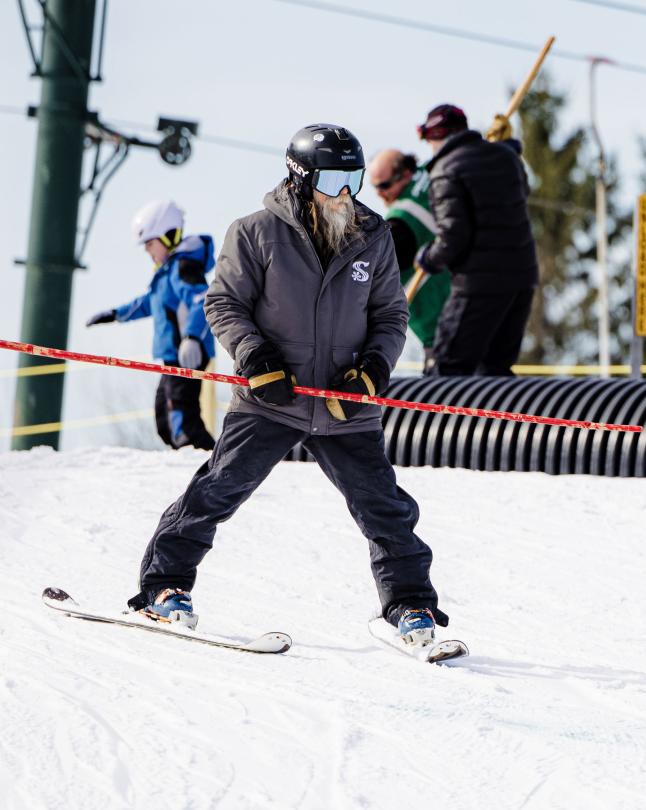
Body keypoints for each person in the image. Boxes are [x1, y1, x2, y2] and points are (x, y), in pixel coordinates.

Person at [127, 124, 449, 649]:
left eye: (354, 178)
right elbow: (223, 303)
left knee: (384, 508)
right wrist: (256, 358)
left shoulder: (375, 236)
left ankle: (409, 605)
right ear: (300, 179)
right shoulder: (255, 232)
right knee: (216, 491)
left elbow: (391, 314)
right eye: (332, 179)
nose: (344, 193)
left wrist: (371, 370)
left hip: (345, 404)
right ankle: (165, 587)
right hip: (273, 397)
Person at [414, 103, 538, 377]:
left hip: (478, 285)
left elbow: (452, 237)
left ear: (434, 137)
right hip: (521, 279)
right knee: (495, 370)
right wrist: (510, 151)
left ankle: (440, 421)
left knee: (448, 370)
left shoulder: (445, 171)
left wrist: (427, 258)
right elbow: (522, 190)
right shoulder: (506, 159)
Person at [86, 200, 217, 450]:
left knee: (182, 420)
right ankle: (198, 458)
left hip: (187, 353)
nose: (148, 252)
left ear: (168, 236)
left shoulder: (184, 267)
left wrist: (191, 338)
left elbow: (202, 302)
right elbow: (148, 303)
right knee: (165, 420)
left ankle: (210, 462)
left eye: (149, 244)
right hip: (172, 356)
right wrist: (115, 314)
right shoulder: (167, 273)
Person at [368, 148, 452, 370]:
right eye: (375, 187)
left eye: (384, 186)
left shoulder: (401, 223)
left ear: (405, 174)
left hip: (442, 329)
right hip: (476, 310)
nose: (379, 194)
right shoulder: (433, 173)